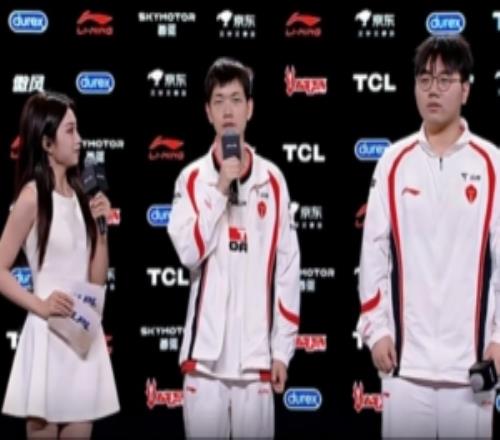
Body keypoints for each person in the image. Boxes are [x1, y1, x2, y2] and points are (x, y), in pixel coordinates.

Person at [357, 34, 500, 438]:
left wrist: (497, 339)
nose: (433, 90)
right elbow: (373, 254)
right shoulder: (393, 162)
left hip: (470, 371)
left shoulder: (492, 164)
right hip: (405, 368)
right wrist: (377, 330)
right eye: (424, 79)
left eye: (445, 79)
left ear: (465, 89)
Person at [168, 57, 301, 438]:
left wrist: (282, 350)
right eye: (219, 100)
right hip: (204, 362)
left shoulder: (272, 180)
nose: (228, 110)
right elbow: (188, 253)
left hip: (255, 361)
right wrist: (220, 189)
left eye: (236, 99)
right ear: (208, 112)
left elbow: (288, 270)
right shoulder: (191, 179)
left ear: (250, 108)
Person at [0, 91, 119, 439]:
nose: (79, 140)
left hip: (81, 339)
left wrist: (102, 233)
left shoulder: (83, 196)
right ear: (47, 143)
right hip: (47, 341)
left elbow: (96, 282)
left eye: (78, 129)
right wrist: (40, 305)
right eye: (70, 131)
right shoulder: (32, 196)